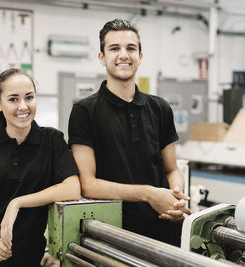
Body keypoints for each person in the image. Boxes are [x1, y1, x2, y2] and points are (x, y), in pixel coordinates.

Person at [68, 19, 191, 246]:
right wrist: (148, 194)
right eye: (114, 48)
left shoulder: (160, 108)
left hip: (165, 233)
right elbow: (87, 184)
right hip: (113, 236)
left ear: (140, 57)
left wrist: (175, 197)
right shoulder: (85, 111)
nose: (123, 55)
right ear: (102, 58)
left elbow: (172, 169)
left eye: (131, 48)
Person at [0, 68, 80, 266]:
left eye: (29, 97)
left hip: (25, 258)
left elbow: (72, 188)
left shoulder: (51, 140)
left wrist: (17, 203)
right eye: (13, 99)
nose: (23, 106)